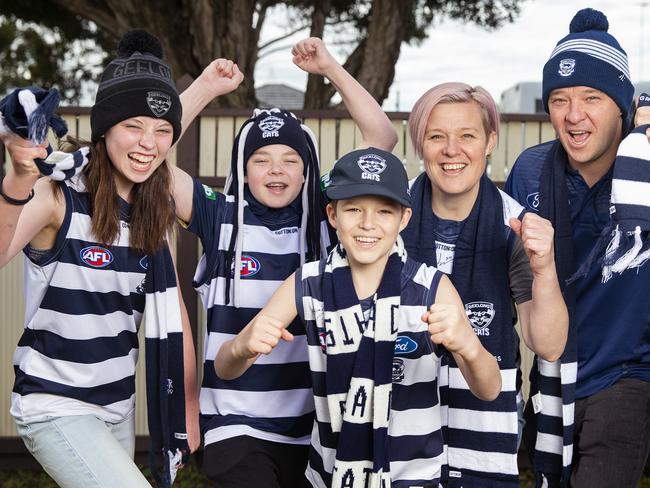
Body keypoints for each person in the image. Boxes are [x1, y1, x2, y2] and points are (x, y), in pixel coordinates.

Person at [171, 37, 398, 487]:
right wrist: (203, 88)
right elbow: (148, 155)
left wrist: (330, 67)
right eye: (261, 159)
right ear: (242, 166)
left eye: (290, 159)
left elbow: (382, 139)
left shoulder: (327, 217)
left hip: (313, 425)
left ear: (308, 168)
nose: (276, 169)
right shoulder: (219, 215)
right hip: (235, 422)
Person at [214, 146, 502, 488]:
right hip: (328, 476)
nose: (368, 224)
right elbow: (224, 368)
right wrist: (243, 347)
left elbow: (489, 390)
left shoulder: (431, 288)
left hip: (412, 478)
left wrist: (469, 346)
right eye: (353, 210)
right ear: (333, 215)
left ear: (403, 218)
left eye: (384, 211)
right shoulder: (309, 283)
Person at [0, 30, 199, 487]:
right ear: (105, 126)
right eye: (134, 125)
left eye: (163, 130)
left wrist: (186, 408)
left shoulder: (154, 214)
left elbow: (178, 318)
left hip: (116, 409)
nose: (149, 143)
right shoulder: (58, 196)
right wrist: (16, 180)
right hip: (55, 405)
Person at [505, 8, 650, 488]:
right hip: (553, 369)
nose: (573, 114)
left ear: (621, 108)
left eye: (592, 97)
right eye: (560, 99)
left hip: (628, 370)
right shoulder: (530, 171)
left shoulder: (644, 169)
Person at [400, 82, 569, 487]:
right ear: (420, 145)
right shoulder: (391, 218)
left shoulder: (513, 226)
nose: (451, 150)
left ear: (490, 141)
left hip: (484, 429)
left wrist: (544, 268)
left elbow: (548, 344)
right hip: (400, 426)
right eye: (436, 136)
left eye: (467, 136)